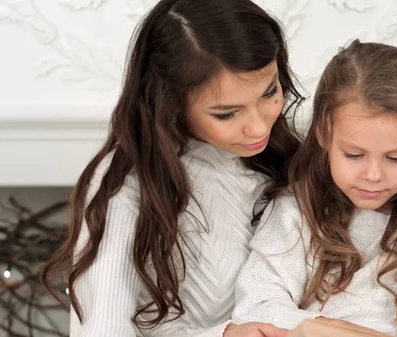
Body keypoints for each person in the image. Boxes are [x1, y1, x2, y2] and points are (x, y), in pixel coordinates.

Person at [40, 0, 303, 336]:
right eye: (226, 114)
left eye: (270, 93)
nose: (259, 127)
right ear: (170, 104)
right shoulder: (126, 186)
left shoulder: (295, 152)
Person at [232, 39, 397, 336]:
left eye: (394, 158)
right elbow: (256, 303)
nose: (373, 175)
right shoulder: (294, 210)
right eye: (354, 155)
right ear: (324, 134)